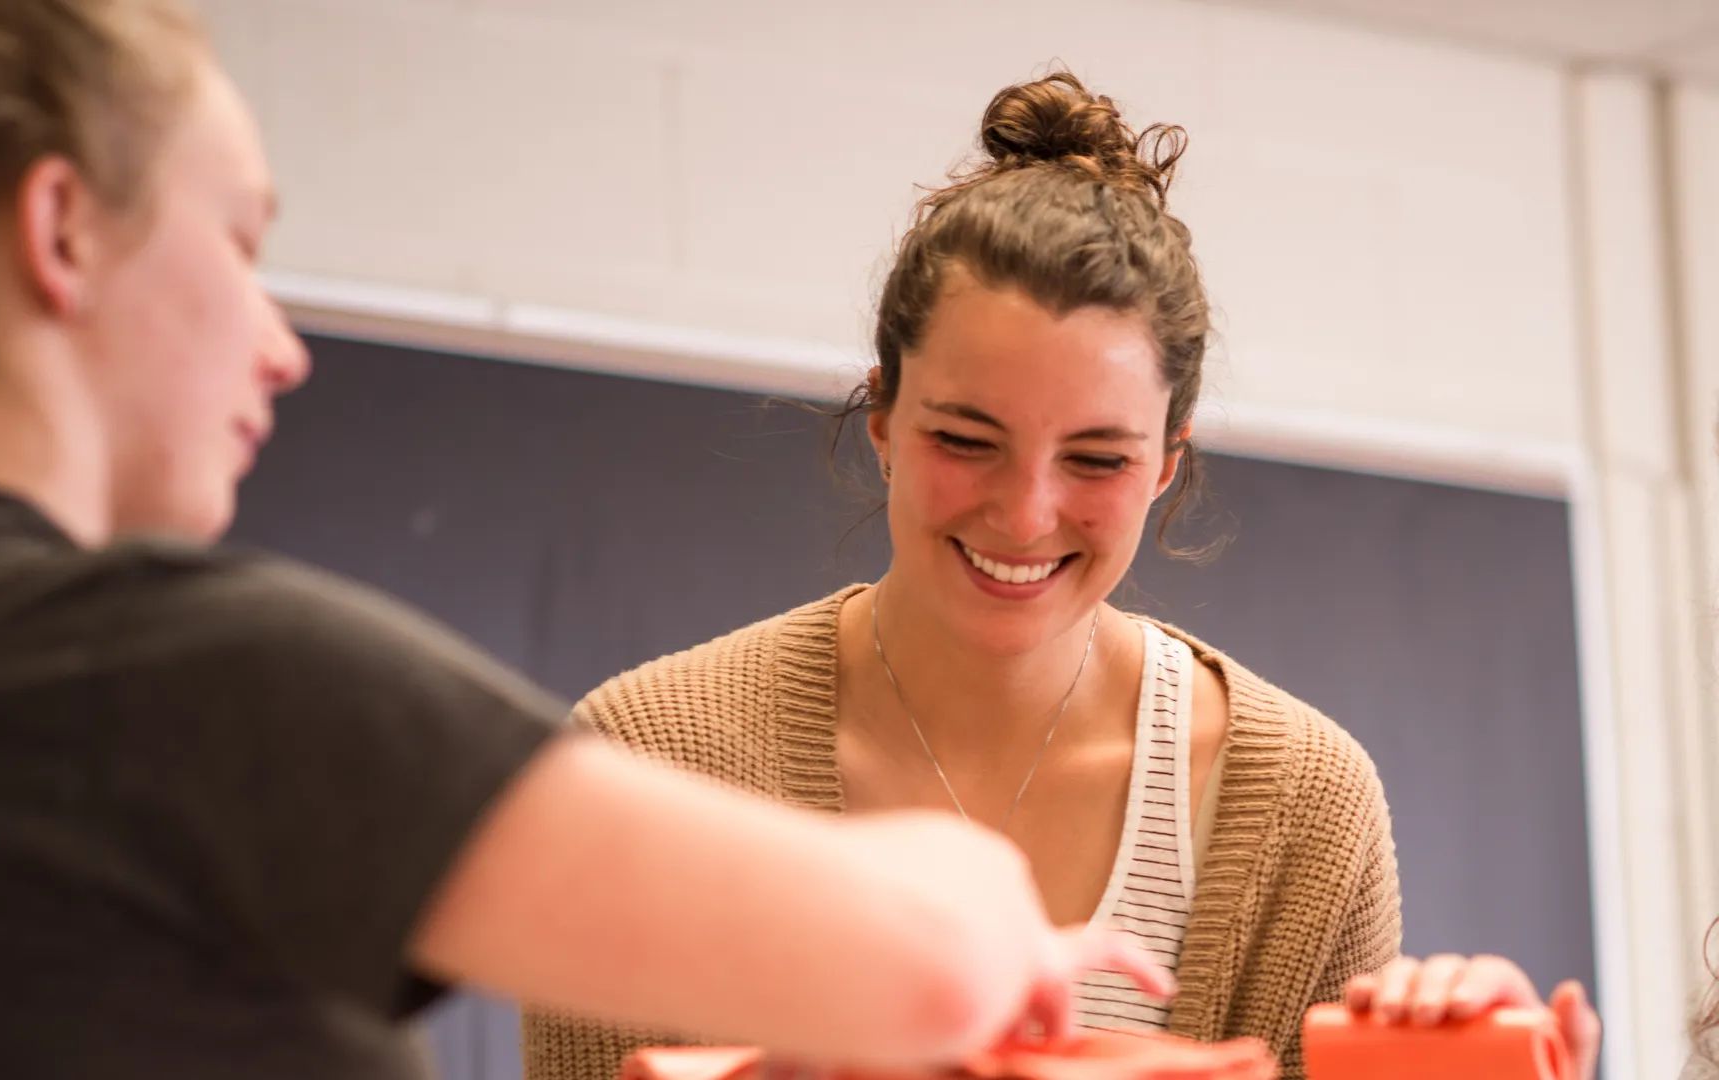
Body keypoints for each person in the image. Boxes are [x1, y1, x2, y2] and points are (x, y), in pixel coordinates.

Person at [0, 3, 1287, 1078]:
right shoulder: (160, 674)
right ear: (60, 231)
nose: (280, 345)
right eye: (242, 247)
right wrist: (968, 904)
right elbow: (937, 958)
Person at [521, 70, 1401, 1080]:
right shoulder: (642, 763)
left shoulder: (1303, 800)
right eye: (967, 440)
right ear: (885, 418)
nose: (1026, 514)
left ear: (1166, 464)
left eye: (1098, 459)